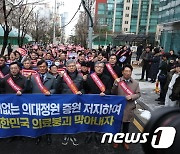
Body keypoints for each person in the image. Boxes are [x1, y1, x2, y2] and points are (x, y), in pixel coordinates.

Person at [26, 59, 57, 145]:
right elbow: (28, 89)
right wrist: (28, 80)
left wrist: (50, 92)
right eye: (40, 67)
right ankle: (38, 136)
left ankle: (48, 136)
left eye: (44, 66)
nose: (42, 68)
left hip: (47, 102)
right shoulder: (32, 77)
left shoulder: (52, 78)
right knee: (37, 120)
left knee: (47, 120)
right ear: (38, 67)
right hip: (36, 102)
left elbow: (55, 88)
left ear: (47, 67)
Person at [112, 64, 141, 150]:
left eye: (129, 71)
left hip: (129, 107)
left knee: (126, 126)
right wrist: (116, 84)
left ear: (131, 73)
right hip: (118, 107)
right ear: (122, 72)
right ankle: (116, 140)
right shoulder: (118, 81)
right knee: (117, 125)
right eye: (126, 71)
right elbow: (113, 92)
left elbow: (138, 94)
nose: (127, 73)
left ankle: (125, 141)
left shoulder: (135, 83)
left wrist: (132, 96)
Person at [56, 59, 84, 146]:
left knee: (74, 120)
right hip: (65, 101)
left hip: (75, 102)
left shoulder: (80, 77)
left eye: (73, 66)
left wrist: (81, 92)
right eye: (69, 66)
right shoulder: (61, 76)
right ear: (66, 68)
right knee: (65, 119)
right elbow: (57, 88)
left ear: (76, 66)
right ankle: (66, 135)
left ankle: (73, 135)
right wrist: (60, 78)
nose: (71, 68)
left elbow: (83, 88)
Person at [84, 61, 111, 144]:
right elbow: (85, 89)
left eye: (101, 67)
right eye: (97, 66)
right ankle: (89, 134)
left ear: (103, 68)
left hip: (102, 101)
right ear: (94, 68)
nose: (99, 68)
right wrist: (84, 81)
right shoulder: (89, 77)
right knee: (89, 119)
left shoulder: (107, 78)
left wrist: (105, 93)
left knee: (100, 119)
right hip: (90, 102)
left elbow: (109, 89)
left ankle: (98, 134)